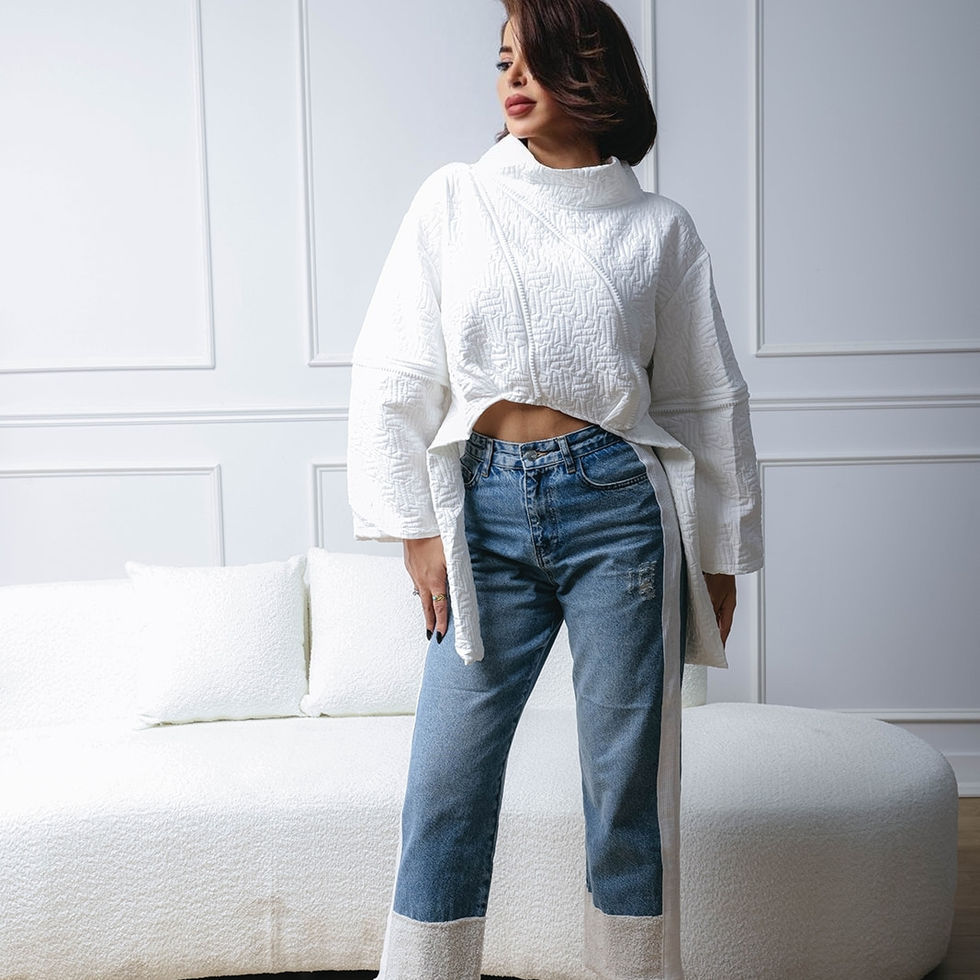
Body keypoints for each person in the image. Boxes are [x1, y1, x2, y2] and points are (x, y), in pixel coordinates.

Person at [345, 1, 764, 976]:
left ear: (592, 71)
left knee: (625, 783)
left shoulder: (657, 229)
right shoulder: (455, 198)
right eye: (502, 62)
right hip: (480, 511)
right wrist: (413, 527)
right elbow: (393, 368)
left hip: (619, 510)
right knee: (445, 779)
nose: (513, 80)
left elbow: (704, 398)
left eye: (533, 59)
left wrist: (718, 556)